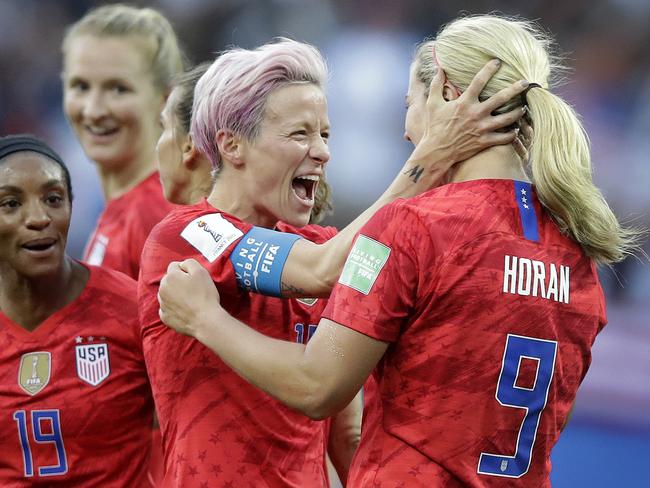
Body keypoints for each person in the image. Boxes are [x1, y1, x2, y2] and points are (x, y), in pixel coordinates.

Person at [157, 15, 642, 487]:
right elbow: (553, 411)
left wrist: (205, 318)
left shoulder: (413, 228)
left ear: (448, 98)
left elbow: (318, 384)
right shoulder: (577, 253)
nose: (407, 129)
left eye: (409, 103)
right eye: (302, 134)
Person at [0, 135, 154, 486]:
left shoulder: (130, 307)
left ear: (71, 205)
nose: (39, 218)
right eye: (10, 204)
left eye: (53, 199)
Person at [61, 4, 184, 279]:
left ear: (166, 98)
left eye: (118, 89)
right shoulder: (127, 210)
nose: (93, 110)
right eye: (80, 86)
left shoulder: (156, 217)